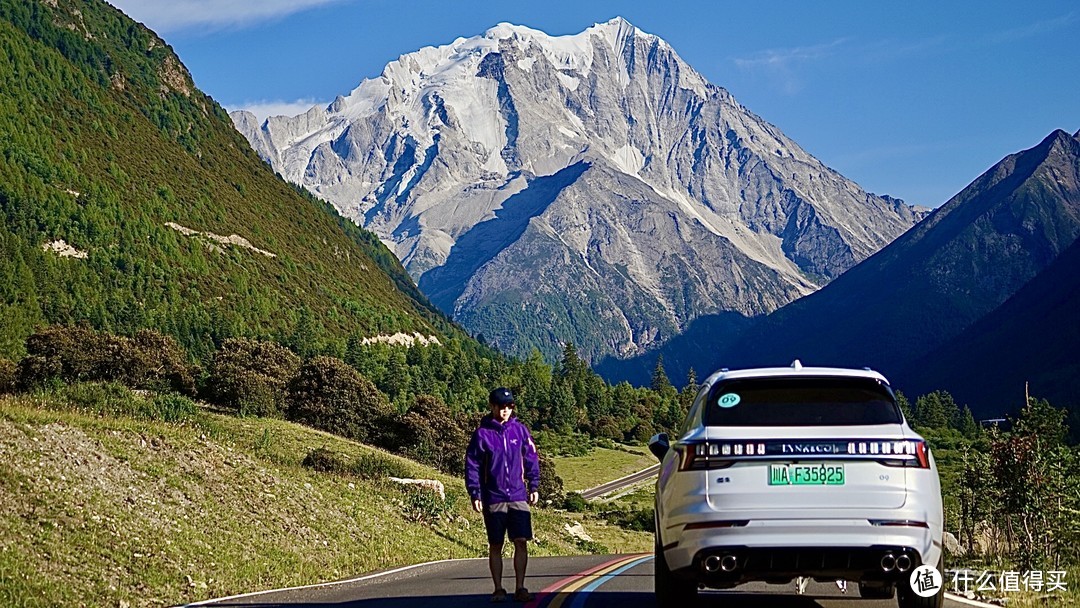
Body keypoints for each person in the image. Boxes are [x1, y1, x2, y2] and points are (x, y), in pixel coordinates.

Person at [465, 387, 541, 603]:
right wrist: (475, 492)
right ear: (492, 406)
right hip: (493, 497)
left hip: (518, 495)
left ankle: (520, 587)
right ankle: (498, 589)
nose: (506, 410)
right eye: (502, 406)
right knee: (496, 544)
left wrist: (534, 486)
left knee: (521, 541)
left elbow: (531, 458)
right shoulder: (482, 434)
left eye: (509, 406)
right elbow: (472, 465)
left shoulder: (520, 431)